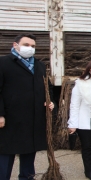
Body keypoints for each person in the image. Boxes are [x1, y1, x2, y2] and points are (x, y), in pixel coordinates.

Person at [0, 34, 55, 180]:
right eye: (26, 45)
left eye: (33, 46)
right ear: (15, 45)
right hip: (11, 118)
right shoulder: (3, 62)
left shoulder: (39, 65)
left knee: (29, 152)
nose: (30, 48)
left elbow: (47, 87)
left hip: (33, 118)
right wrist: (0, 114)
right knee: (6, 152)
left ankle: (26, 177)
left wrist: (49, 101)